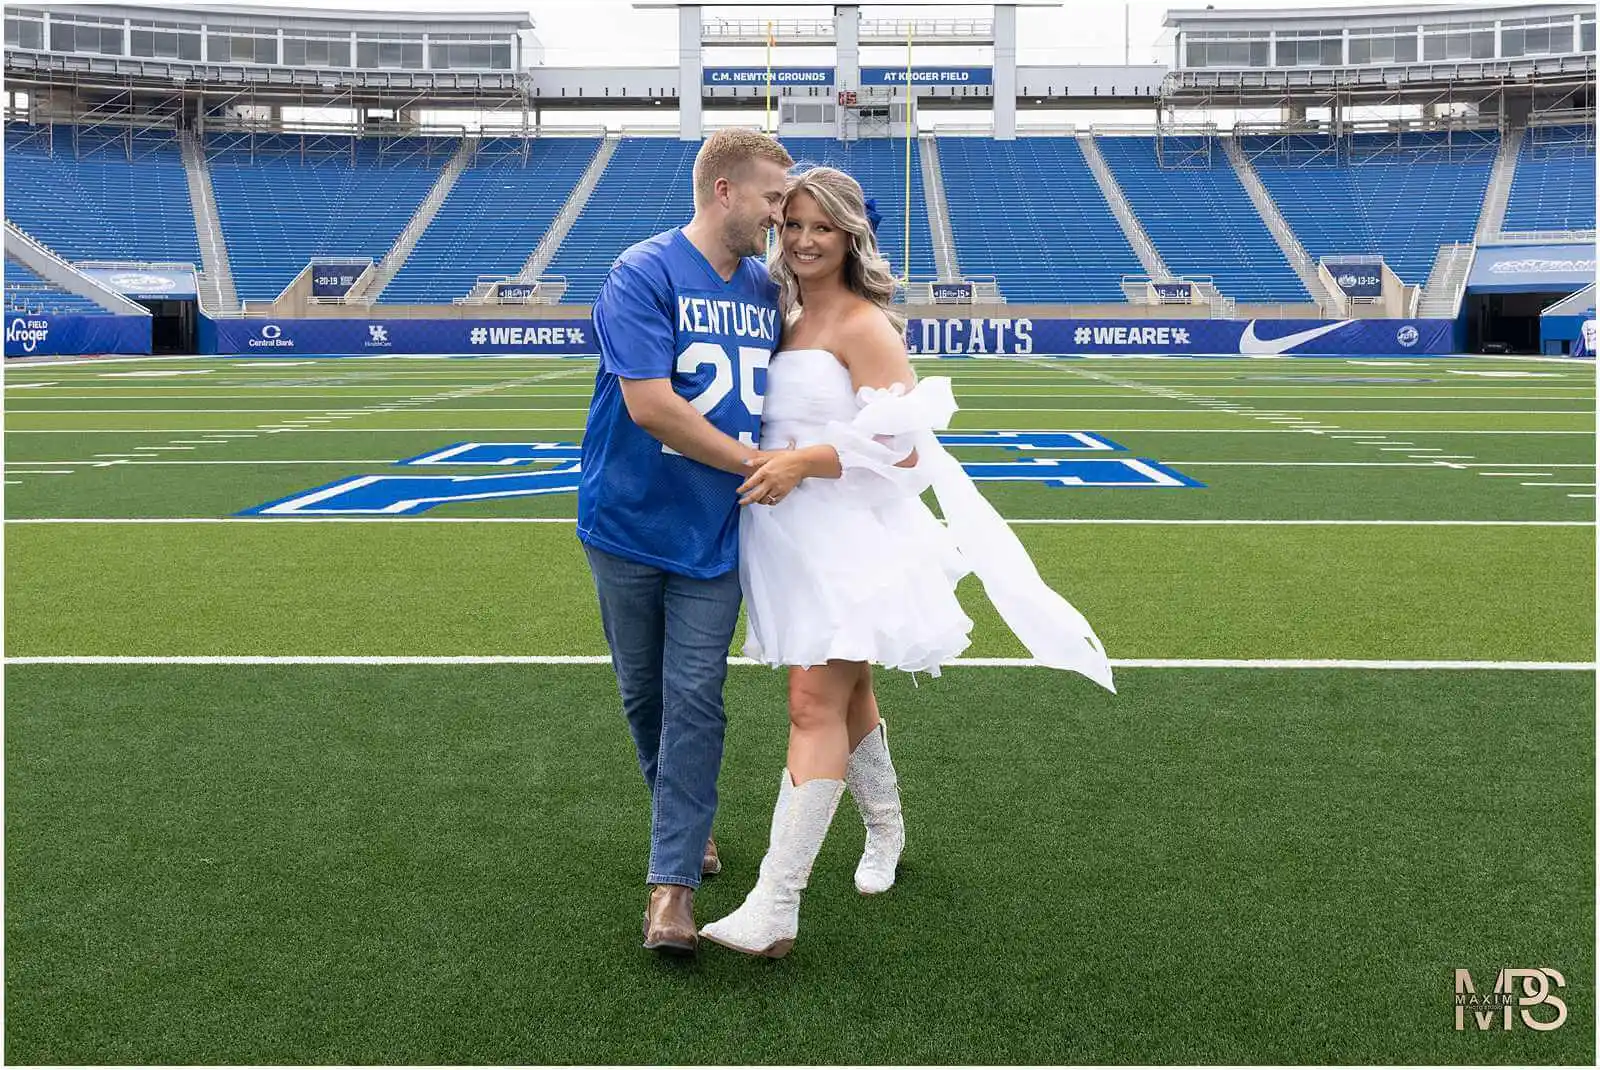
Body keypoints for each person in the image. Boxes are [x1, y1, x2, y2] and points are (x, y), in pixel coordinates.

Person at [697, 166, 1116, 959]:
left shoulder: (865, 326)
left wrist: (802, 462)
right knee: (847, 694)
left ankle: (775, 906)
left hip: (853, 539)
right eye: (793, 225)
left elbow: (903, 453)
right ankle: (885, 831)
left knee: (810, 705)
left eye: (823, 227)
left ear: (853, 235)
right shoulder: (780, 316)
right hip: (789, 542)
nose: (804, 240)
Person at [577, 128, 796, 955]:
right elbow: (650, 405)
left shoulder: (768, 292)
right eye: (772, 198)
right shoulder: (643, 272)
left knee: (696, 696)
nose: (781, 216)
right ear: (725, 192)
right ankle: (684, 821)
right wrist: (758, 460)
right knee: (645, 697)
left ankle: (669, 889)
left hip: (714, 532)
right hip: (629, 521)